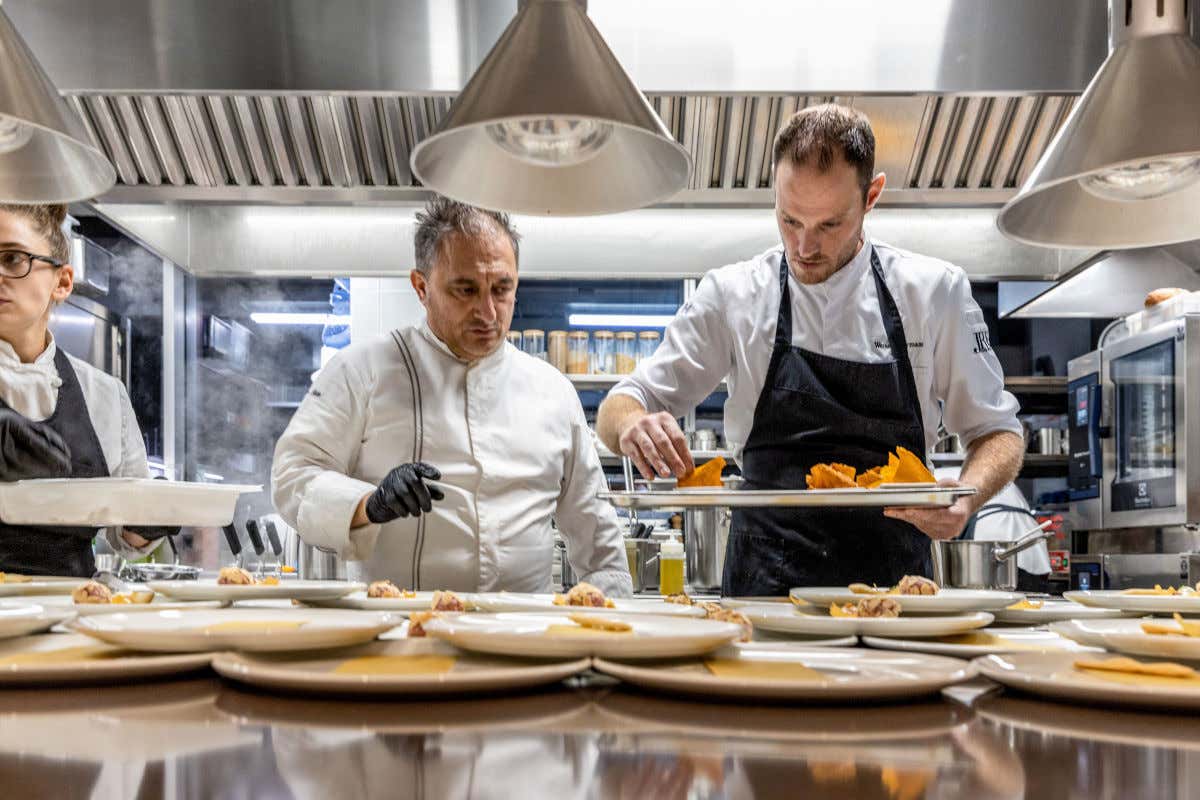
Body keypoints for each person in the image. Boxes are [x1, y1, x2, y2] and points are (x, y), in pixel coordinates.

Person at [596, 104, 1024, 594]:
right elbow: (620, 404)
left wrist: (967, 500)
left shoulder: (933, 293)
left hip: (899, 602)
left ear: (872, 198)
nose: (803, 247)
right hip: (764, 595)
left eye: (829, 225)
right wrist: (632, 424)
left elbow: (998, 433)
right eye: (790, 220)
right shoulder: (733, 296)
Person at [272, 196, 631, 595]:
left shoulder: (552, 391)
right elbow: (292, 475)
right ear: (421, 287)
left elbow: (599, 540)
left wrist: (615, 630)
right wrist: (367, 504)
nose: (489, 313)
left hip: (525, 637)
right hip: (403, 633)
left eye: (502, 289)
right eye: (466, 289)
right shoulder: (362, 371)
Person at [0, 203, 167, 576]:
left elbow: (122, 536)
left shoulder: (104, 394)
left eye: (13, 258)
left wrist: (148, 521)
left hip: (73, 609)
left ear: (62, 282)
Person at [934, 464, 1053, 593]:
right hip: (1031, 538)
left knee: (987, 603)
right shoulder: (953, 474)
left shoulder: (930, 482)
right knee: (1028, 604)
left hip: (988, 538)